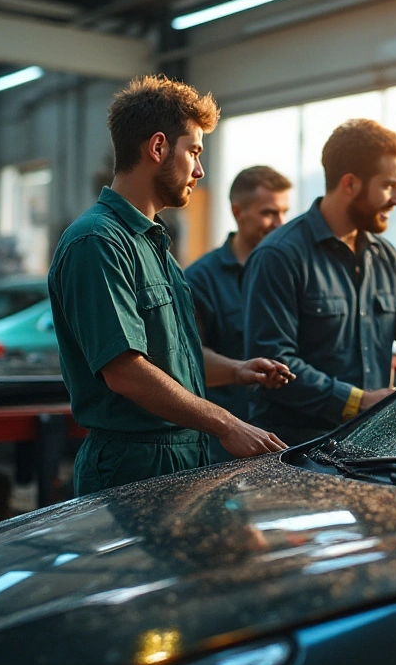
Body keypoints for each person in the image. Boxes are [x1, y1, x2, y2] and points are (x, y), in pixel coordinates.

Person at [47, 75, 290, 496]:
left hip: (181, 456)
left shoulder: (154, 243)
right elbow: (126, 372)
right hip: (132, 465)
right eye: (193, 151)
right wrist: (228, 424)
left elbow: (174, 359)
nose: (200, 169)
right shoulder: (97, 242)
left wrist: (236, 370)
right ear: (158, 148)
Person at [242, 118, 396, 444]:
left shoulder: (384, 257)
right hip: (296, 455)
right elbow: (273, 365)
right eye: (388, 185)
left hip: (366, 447)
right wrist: (355, 402)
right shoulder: (279, 257)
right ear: (350, 184)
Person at [183, 165, 292, 462]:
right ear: (237, 211)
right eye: (269, 213)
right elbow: (189, 360)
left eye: (284, 212)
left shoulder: (290, 274)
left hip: (286, 441)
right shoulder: (199, 279)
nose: (279, 224)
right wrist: (238, 369)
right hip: (225, 448)